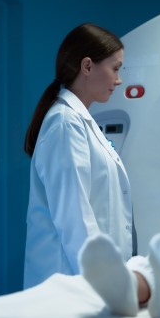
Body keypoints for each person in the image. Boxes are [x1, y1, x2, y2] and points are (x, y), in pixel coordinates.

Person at [23, 23, 133, 289]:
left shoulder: (79, 121)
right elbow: (75, 218)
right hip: (72, 281)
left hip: (85, 278)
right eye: (115, 68)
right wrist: (106, 284)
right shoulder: (65, 124)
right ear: (87, 66)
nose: (119, 80)